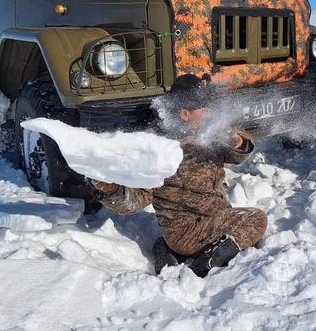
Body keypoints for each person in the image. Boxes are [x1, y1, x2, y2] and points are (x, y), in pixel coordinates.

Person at [92, 74, 268, 277]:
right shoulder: (160, 150)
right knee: (256, 220)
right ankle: (202, 267)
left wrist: (237, 141)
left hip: (212, 220)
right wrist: (108, 188)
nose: (210, 112)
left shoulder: (207, 136)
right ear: (185, 114)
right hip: (187, 231)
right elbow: (136, 200)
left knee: (250, 230)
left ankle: (171, 250)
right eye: (204, 108)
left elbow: (237, 155)